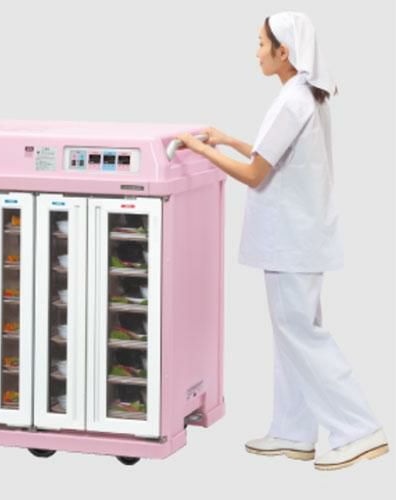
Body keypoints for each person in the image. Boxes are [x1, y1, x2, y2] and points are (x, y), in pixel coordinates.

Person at [176, 11, 389, 471]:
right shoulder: (303, 95)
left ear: (283, 51)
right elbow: (269, 153)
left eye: (260, 43)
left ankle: (359, 430)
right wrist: (226, 139)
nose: (256, 53)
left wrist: (203, 150)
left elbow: (255, 174)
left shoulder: (294, 101)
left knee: (302, 335)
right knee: (291, 335)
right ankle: (293, 431)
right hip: (297, 240)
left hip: (292, 242)